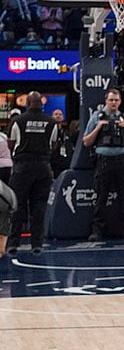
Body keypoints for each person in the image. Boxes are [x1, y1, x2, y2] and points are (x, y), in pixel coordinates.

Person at [82, 88, 124, 241]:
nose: (113, 103)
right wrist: (98, 127)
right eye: (111, 100)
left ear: (120, 101)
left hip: (122, 159)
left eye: (116, 100)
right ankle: (97, 230)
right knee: (101, 197)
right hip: (104, 161)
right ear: (106, 101)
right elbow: (86, 141)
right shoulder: (97, 117)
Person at [6, 92, 58, 254]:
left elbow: (11, 144)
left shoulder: (17, 121)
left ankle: (13, 243)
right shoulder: (51, 122)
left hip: (23, 166)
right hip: (43, 166)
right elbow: (54, 145)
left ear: (27, 103)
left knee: (17, 206)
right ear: (41, 103)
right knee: (39, 206)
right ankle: (37, 244)